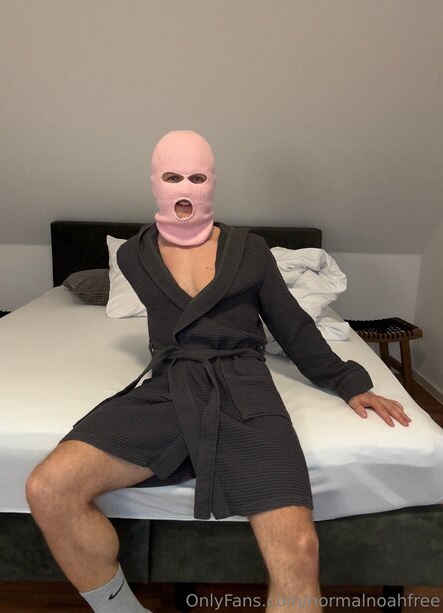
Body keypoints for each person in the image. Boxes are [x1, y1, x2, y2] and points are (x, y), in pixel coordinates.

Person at [25, 130, 412, 613]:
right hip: (170, 386)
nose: (184, 188)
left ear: (212, 182)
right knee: (48, 487)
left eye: (197, 177)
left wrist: (348, 382)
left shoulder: (250, 250)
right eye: (172, 176)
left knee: (300, 547)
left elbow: (292, 325)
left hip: (246, 388)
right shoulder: (132, 256)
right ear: (154, 181)